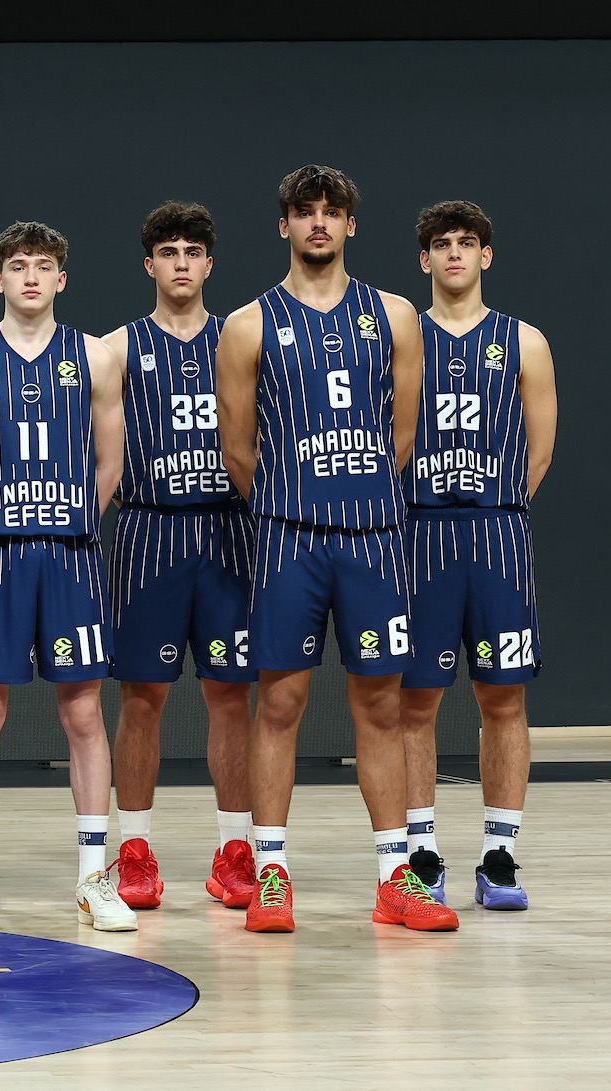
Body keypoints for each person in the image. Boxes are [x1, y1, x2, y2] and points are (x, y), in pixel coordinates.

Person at [213, 164, 447, 933]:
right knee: (279, 702)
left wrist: (356, 492)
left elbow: (402, 435)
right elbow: (238, 450)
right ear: (284, 224)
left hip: (373, 537)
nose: (319, 222)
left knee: (380, 704)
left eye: (332, 210)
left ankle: (394, 878)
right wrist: (296, 501)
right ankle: (271, 873)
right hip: (289, 538)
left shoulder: (396, 315)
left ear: (350, 223)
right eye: (305, 211)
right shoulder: (247, 324)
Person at [0, 221, 136, 934]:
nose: (29, 277)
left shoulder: (95, 356)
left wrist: (68, 520)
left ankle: (93, 877)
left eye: (42, 266)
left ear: (60, 279)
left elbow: (110, 463)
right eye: (17, 266)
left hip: (69, 556)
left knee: (83, 714)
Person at [97, 203, 257, 911]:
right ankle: (134, 850)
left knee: (231, 696)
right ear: (150, 265)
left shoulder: (241, 338)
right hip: (149, 534)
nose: (182, 262)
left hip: (228, 532)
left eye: (194, 250)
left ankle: (235, 850)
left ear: (210, 264)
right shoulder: (117, 349)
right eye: (169, 251)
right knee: (142, 698)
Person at [398, 200, 555, 911]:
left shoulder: (525, 342)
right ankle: (421, 852)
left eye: (467, 242)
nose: (455, 253)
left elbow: (538, 452)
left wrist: (493, 506)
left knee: (504, 697)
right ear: (424, 258)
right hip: (420, 536)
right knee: (415, 700)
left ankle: (500, 854)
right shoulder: (403, 339)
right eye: (442, 243)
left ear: (486, 256)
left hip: (497, 536)